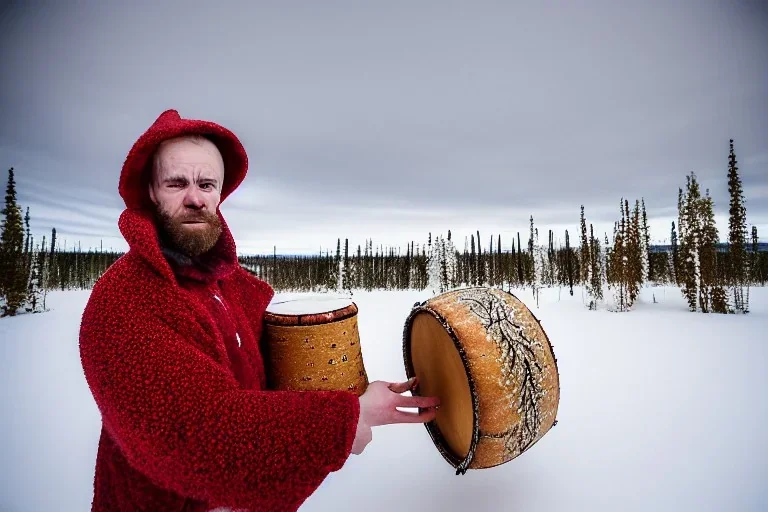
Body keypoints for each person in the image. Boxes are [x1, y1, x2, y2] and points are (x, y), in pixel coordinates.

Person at [78, 109, 440, 512]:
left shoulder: (233, 288)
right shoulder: (124, 303)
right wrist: (347, 418)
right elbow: (203, 437)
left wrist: (354, 392)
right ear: (150, 190)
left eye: (206, 184)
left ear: (219, 194)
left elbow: (283, 375)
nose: (194, 197)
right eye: (176, 183)